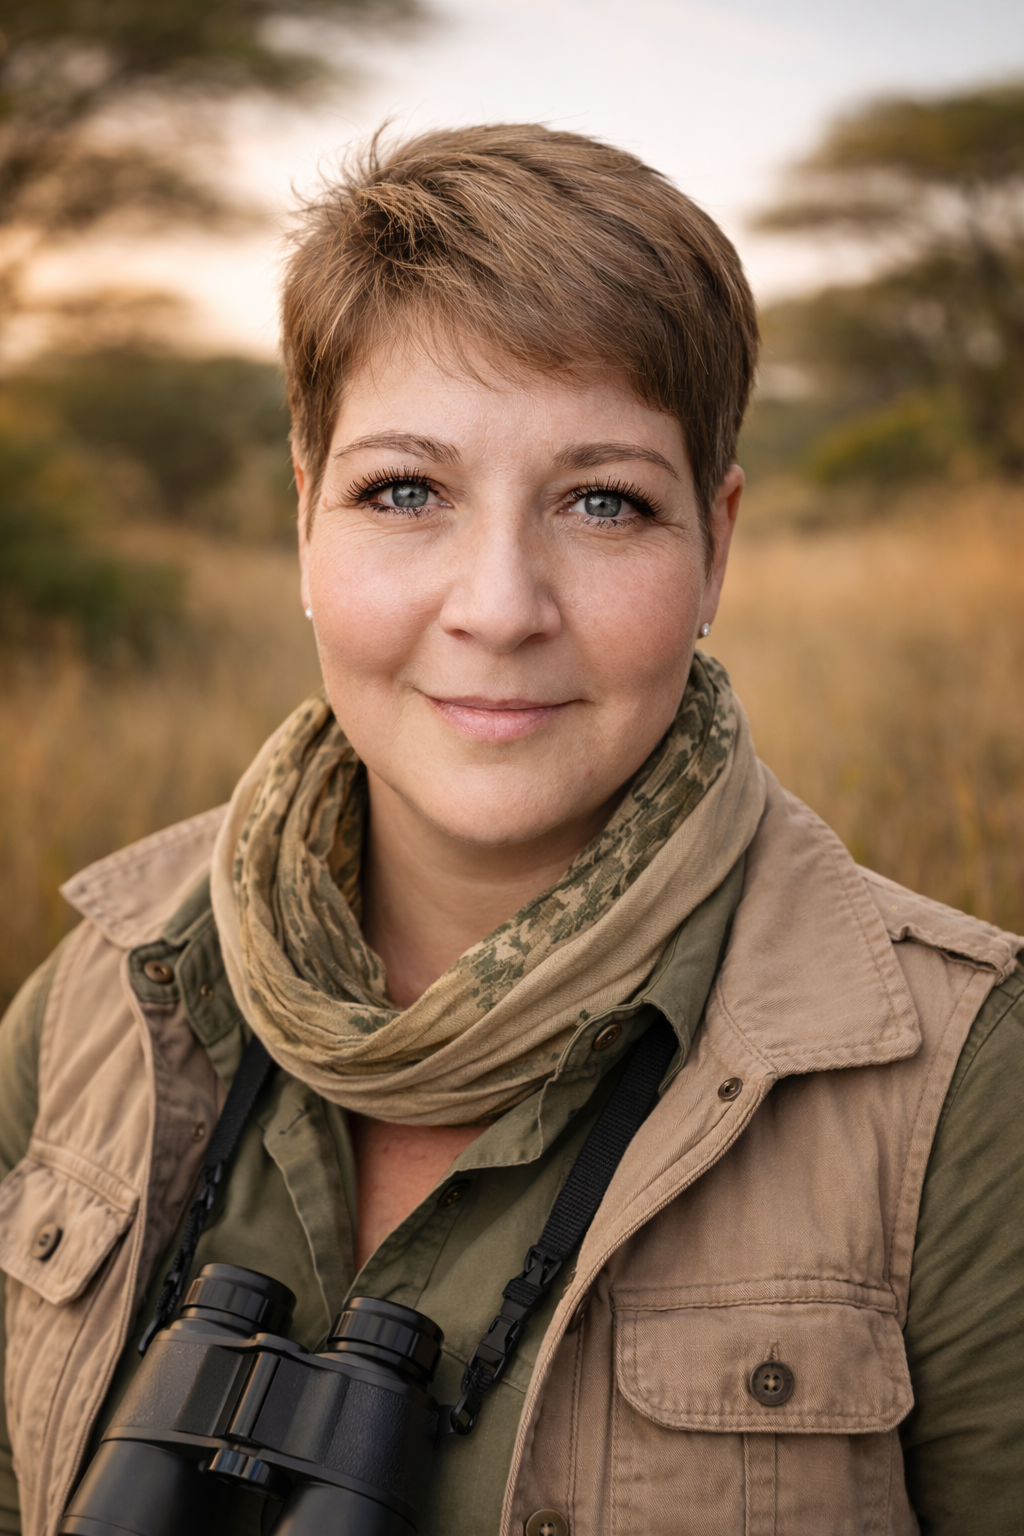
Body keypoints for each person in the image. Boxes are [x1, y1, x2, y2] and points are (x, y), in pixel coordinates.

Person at [0, 124, 1021, 1536]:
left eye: (603, 503)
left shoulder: (962, 1082)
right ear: (306, 520)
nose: (498, 605)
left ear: (716, 545)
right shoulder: (106, 991)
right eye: (404, 491)